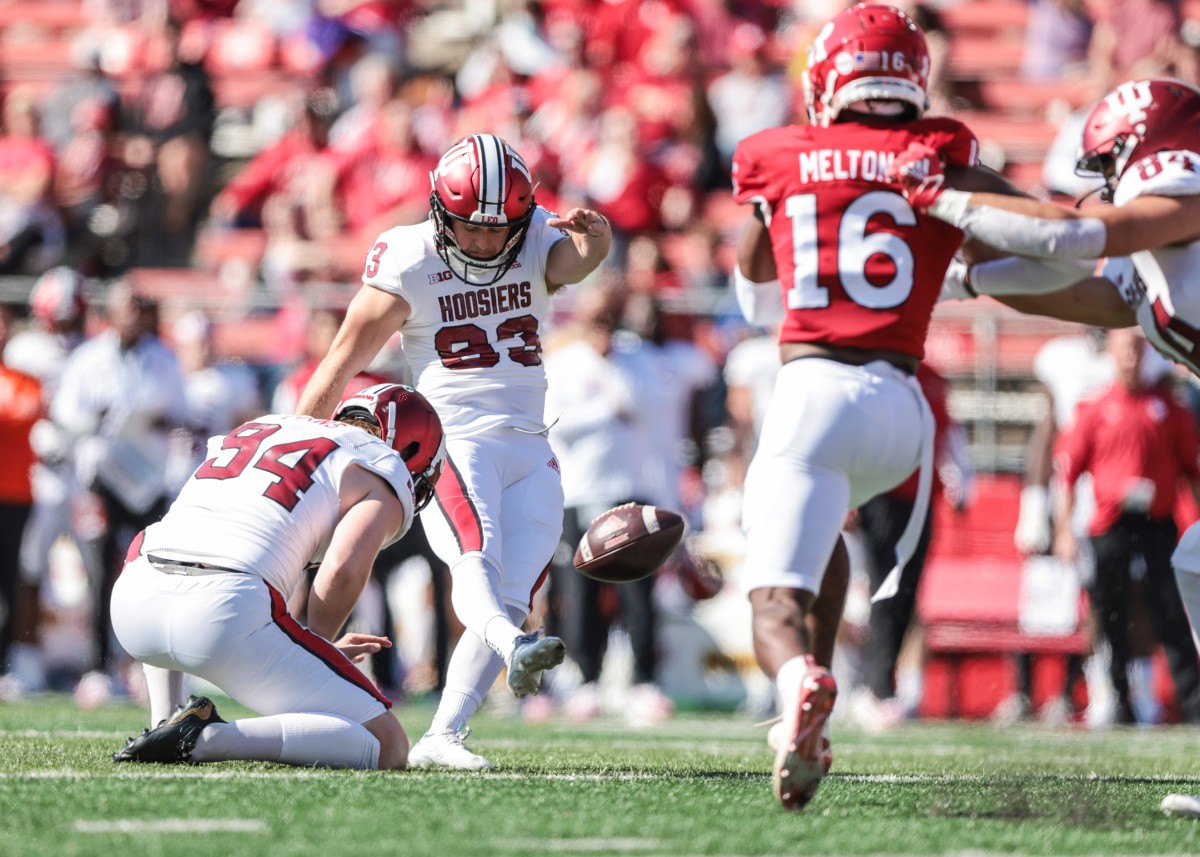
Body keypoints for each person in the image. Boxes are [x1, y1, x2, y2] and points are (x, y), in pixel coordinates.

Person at [887, 76, 1200, 810]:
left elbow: (1076, 236)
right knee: (1195, 559)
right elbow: (1092, 292)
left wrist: (945, 200)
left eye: (1112, 164)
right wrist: (958, 279)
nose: (1108, 185)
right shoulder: (1160, 253)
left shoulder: (1181, 191)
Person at [730, 3, 1013, 811]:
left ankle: (797, 681)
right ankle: (810, 729)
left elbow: (755, 299)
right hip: (903, 407)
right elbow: (1027, 231)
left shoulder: (781, 155)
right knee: (829, 524)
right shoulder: (939, 154)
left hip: (814, 389)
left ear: (828, 80)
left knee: (771, 600)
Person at [295, 133, 612, 770]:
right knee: (474, 559)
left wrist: (596, 239)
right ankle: (513, 645)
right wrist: (294, 441)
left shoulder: (533, 237)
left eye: (502, 230)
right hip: (454, 438)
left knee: (515, 588)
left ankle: (444, 734)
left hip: (530, 442)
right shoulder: (408, 256)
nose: (488, 243)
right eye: (472, 228)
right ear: (441, 210)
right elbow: (342, 358)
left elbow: (575, 263)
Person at [109, 383, 445, 769]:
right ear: (410, 451)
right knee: (388, 746)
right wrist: (320, 647)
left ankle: (164, 719)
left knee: (175, 546)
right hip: (221, 612)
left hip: (133, 601)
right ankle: (206, 739)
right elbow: (341, 569)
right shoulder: (381, 464)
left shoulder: (265, 426)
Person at [1052, 327, 1200, 724]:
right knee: (1110, 613)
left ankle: (1192, 704)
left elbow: (1192, 469)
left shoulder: (1168, 407)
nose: (1131, 357)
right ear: (1111, 354)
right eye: (1123, 349)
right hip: (1109, 523)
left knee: (1171, 611)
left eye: (1136, 348)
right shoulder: (1094, 407)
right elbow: (1067, 473)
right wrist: (1063, 528)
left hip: (1157, 522)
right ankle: (1117, 699)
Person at [52, 283, 187, 705]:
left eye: (138, 307)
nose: (132, 315)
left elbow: (181, 414)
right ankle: (97, 667)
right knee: (99, 574)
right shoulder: (89, 358)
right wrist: (96, 420)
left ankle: (140, 667)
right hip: (102, 478)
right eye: (125, 306)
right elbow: (63, 416)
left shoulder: (163, 359)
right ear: (109, 311)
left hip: (147, 480)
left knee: (149, 575)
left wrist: (158, 422)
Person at [0, 304, 42, 694]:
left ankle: (6, 662)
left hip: (13, 492)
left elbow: (27, 412)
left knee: (10, 577)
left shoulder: (23, 380)